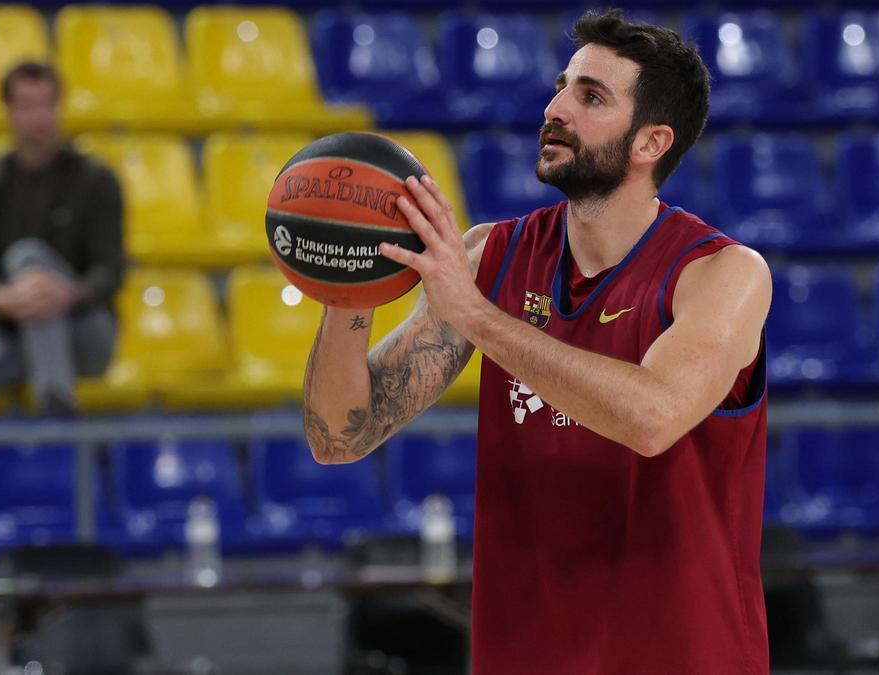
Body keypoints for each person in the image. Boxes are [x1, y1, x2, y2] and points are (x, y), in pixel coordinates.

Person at [303, 10, 771, 674]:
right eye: (562, 85)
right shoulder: (492, 254)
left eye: (591, 96)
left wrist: (477, 315)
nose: (555, 108)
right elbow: (340, 434)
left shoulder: (722, 274)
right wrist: (350, 291)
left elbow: (652, 416)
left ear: (650, 142)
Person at [0, 62, 124, 429]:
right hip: (10, 329)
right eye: (28, 105)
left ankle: (52, 394)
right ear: (8, 111)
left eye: (47, 104)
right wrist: (4, 299)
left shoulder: (96, 180)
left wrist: (68, 293)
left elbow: (110, 272)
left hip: (85, 330)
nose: (40, 116)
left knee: (28, 258)